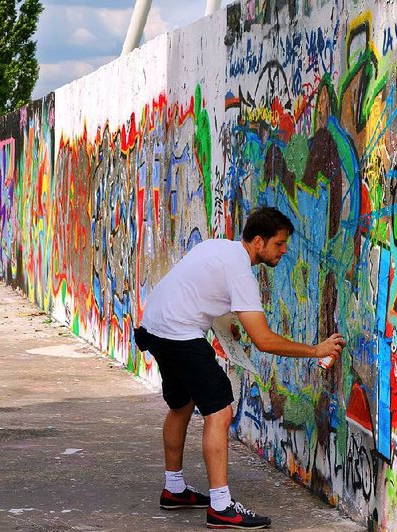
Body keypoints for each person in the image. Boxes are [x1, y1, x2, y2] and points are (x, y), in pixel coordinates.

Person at [134, 207, 345, 530]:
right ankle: (221, 506)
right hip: (179, 335)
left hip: (154, 327)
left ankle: (174, 488)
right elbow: (263, 340)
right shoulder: (241, 273)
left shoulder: (218, 247)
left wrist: (226, 322)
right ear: (258, 242)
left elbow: (198, 289)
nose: (284, 251)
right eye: (279, 244)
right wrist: (315, 350)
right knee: (220, 412)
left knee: (181, 404)